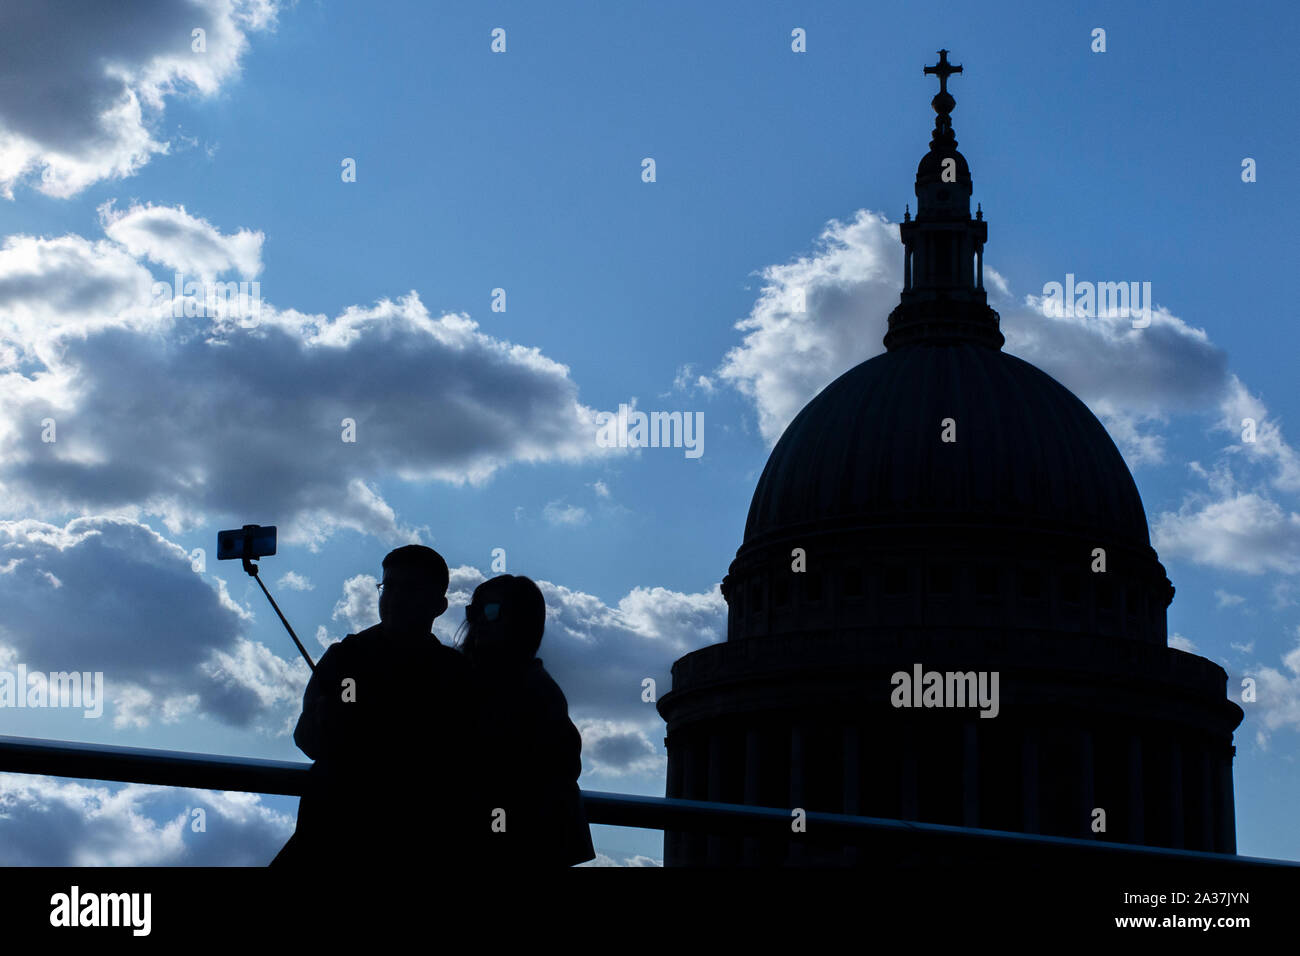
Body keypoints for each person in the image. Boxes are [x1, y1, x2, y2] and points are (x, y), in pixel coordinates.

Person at [271, 544, 476, 871]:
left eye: (408, 588)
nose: (394, 598)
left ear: (438, 605)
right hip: (335, 835)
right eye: (388, 586)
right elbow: (307, 737)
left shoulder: (455, 674)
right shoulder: (346, 656)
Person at [461, 574, 594, 867]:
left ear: (521, 621)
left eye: (492, 611)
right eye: (474, 611)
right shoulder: (472, 680)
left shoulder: (537, 694)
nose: (480, 619)